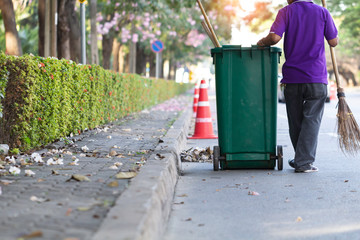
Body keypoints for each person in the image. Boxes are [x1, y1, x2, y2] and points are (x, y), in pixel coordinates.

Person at [257, 0, 338, 173]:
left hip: (292, 78)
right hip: (316, 78)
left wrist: (262, 42)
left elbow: (274, 38)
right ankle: (303, 161)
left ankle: (301, 159)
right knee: (311, 121)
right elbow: (333, 41)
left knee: (296, 122)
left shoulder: (286, 12)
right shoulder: (322, 12)